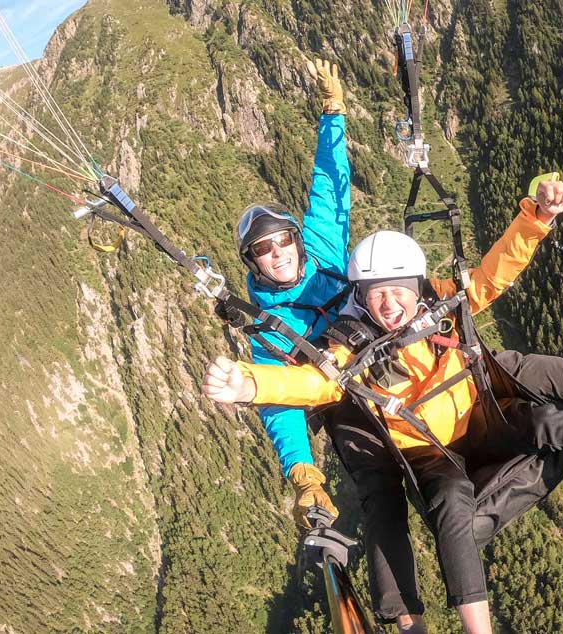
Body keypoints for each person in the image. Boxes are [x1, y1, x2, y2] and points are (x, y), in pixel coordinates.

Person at [204, 180, 563, 633]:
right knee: (443, 504)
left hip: (478, 416)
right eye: (376, 297)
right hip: (427, 449)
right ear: (361, 298)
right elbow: (316, 384)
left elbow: (488, 277)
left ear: (416, 286)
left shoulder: (435, 299)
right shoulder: (352, 338)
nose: (390, 306)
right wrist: (251, 383)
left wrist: (537, 217)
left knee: (550, 421)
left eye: (397, 293)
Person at [231, 58, 350, 528]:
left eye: (282, 240)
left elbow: (330, 183)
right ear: (253, 261)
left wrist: (333, 112)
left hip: (382, 353)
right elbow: (278, 399)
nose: (277, 253)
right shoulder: (269, 328)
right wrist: (303, 474)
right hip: (342, 396)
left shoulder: (322, 246)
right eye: (263, 249)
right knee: (373, 470)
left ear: (296, 240)